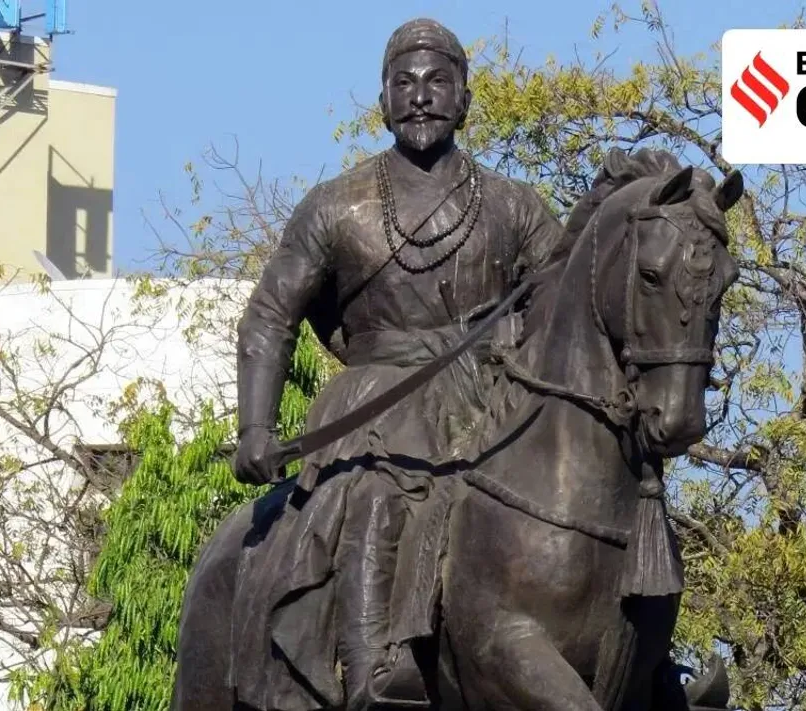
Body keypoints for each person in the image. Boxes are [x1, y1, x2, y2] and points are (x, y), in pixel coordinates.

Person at [232, 17, 573, 709]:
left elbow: (569, 310)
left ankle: (651, 664)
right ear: (383, 101)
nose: (421, 97)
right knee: (377, 489)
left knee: (588, 490)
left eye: (437, 82)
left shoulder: (517, 207)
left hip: (493, 404)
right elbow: (271, 314)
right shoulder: (336, 207)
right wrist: (255, 428)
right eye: (404, 84)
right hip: (376, 401)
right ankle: (372, 671)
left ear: (466, 100)